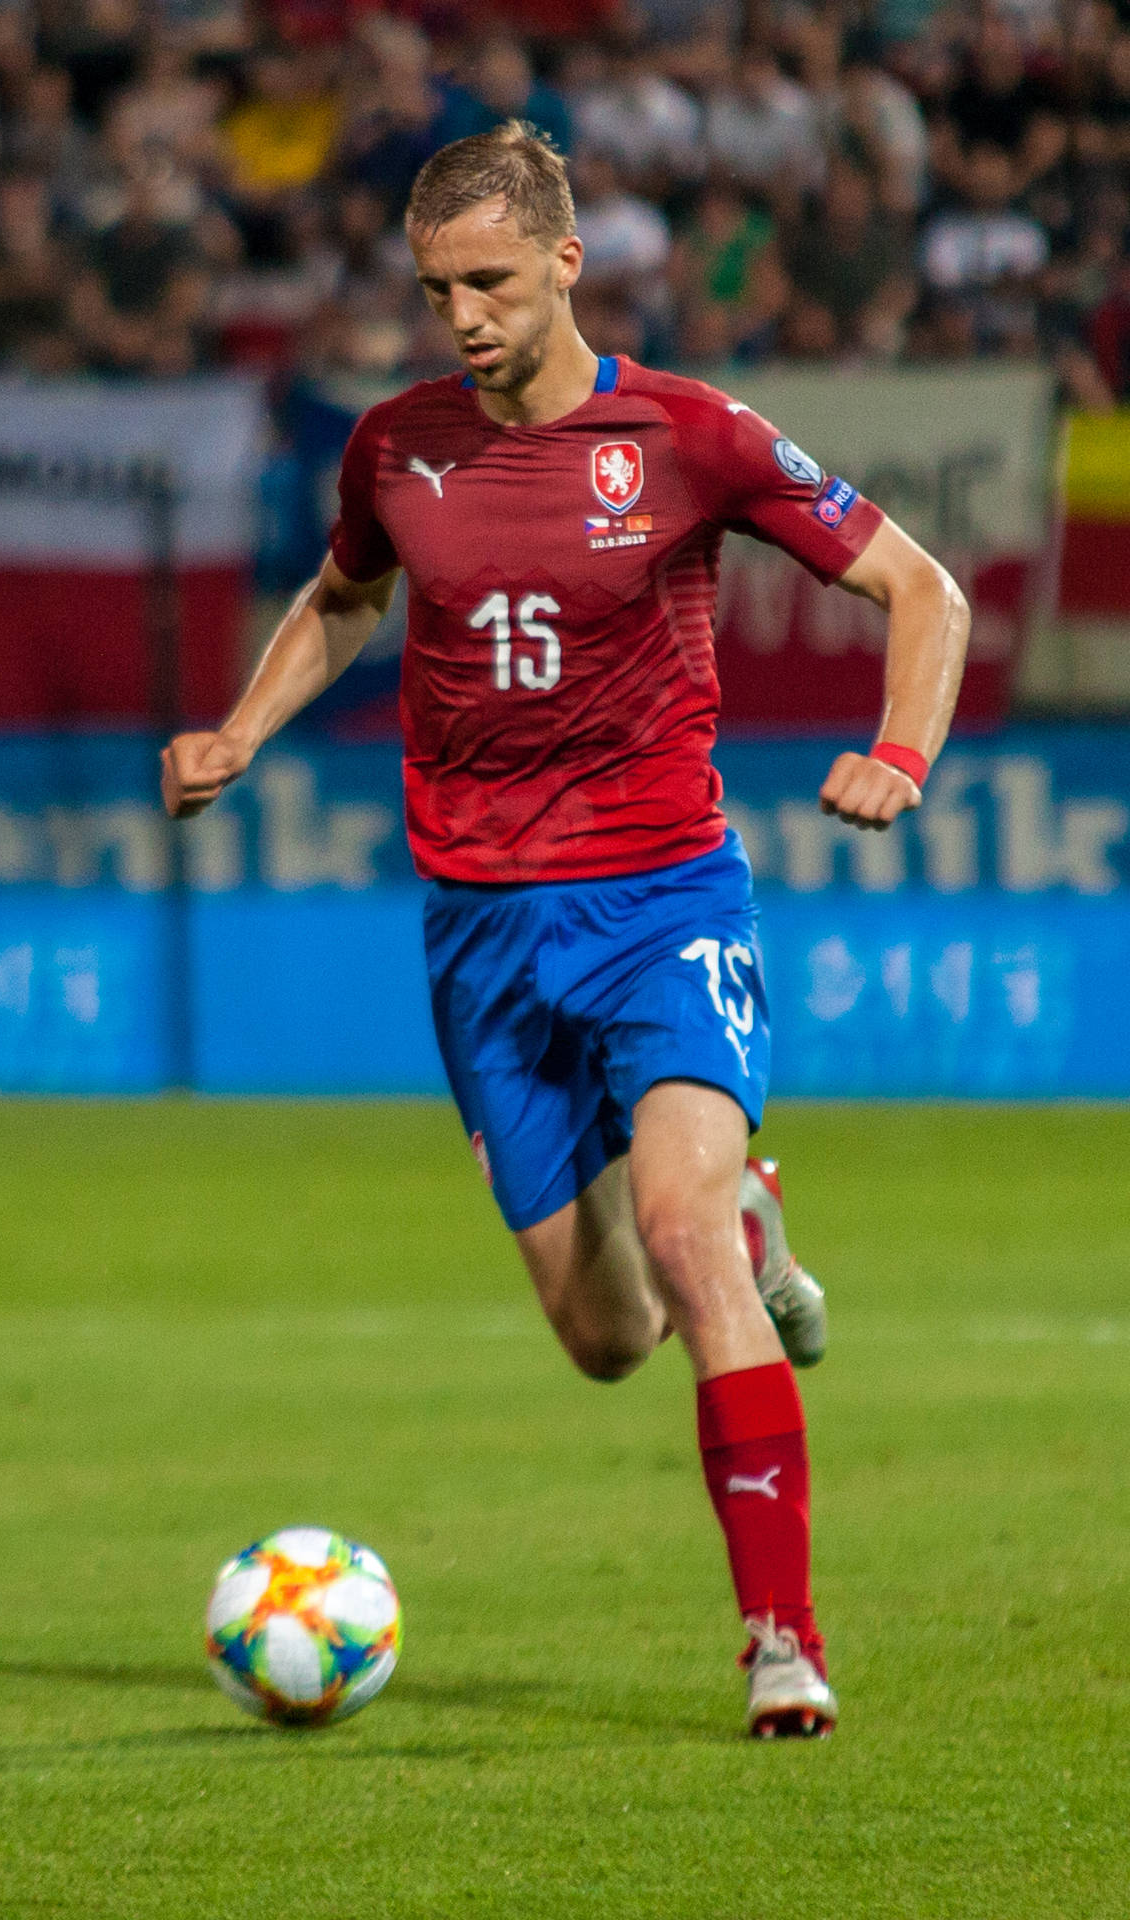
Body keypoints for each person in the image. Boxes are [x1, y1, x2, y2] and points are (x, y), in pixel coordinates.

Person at [161, 122, 970, 1739]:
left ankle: (781, 1642)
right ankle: (747, 1224)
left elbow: (922, 590)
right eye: (436, 286)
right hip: (481, 934)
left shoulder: (688, 435)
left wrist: (895, 754)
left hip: (663, 895)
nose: (462, 314)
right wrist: (245, 729)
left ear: (568, 263)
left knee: (674, 1227)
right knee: (607, 1335)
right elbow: (344, 597)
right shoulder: (394, 449)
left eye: (492, 282)